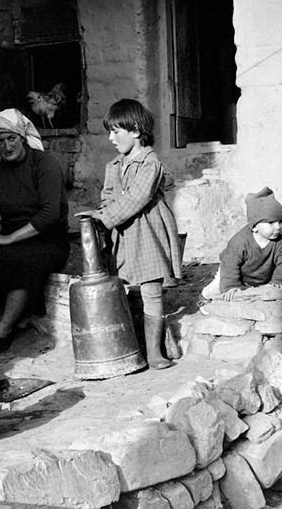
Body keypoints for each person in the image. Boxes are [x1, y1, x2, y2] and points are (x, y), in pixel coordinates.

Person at [78, 99, 183, 370]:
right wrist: (100, 214)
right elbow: (108, 197)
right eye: (110, 132)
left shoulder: (151, 162)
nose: (111, 138)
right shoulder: (113, 165)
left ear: (135, 130)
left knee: (150, 289)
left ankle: (155, 353)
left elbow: (137, 198)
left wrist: (103, 219)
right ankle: (126, 347)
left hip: (147, 230)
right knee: (119, 285)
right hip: (122, 233)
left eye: (116, 131)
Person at [0, 108, 70, 354]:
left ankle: (4, 328)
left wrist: (8, 238)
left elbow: (49, 215)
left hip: (48, 239)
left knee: (24, 262)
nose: (7, 146)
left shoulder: (44, 164)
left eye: (11, 139)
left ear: (22, 137)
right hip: (9, 239)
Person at [200, 187, 282, 304]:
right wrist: (231, 285)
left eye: (280, 222)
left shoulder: (280, 243)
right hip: (232, 273)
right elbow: (230, 265)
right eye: (271, 223)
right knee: (218, 289)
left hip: (259, 277)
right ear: (254, 227)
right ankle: (205, 298)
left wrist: (279, 281)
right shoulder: (240, 242)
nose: (278, 227)